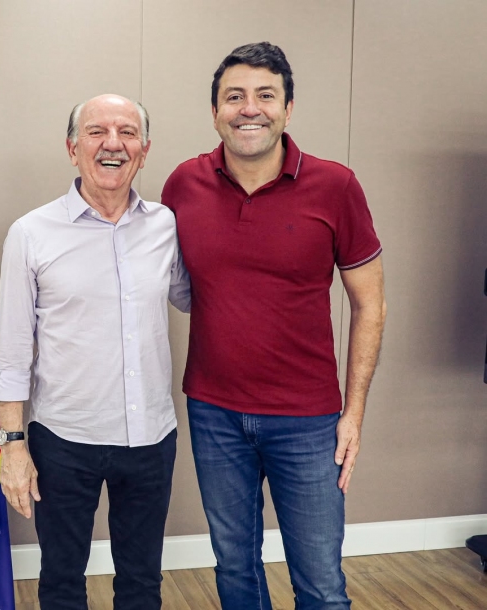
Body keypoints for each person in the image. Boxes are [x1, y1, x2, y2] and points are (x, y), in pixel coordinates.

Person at [161, 42, 386, 609]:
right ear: (215, 111)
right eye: (234, 96)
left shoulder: (336, 186)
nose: (249, 109)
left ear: (288, 108)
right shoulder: (183, 184)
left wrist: (354, 412)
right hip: (213, 413)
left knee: (321, 585)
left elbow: (371, 305)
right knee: (235, 571)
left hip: (307, 419)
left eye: (265, 95)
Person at [0, 94, 190, 610]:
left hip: (150, 437)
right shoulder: (31, 233)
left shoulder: (167, 227)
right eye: (97, 131)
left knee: (142, 582)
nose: (112, 144)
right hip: (63, 439)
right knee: (61, 580)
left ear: (144, 150)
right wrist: (13, 446)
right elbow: (12, 353)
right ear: (72, 148)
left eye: (127, 132)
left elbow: (199, 298)